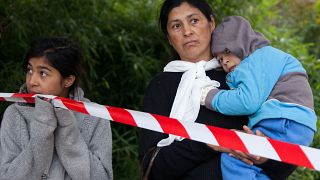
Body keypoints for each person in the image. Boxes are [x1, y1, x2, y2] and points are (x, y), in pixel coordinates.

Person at [138, 1, 249, 179]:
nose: (187, 31)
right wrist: (211, 141)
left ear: (211, 24)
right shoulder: (161, 86)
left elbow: (274, 150)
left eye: (194, 21)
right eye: (176, 26)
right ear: (169, 38)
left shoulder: (241, 75)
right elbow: (152, 167)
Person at [201, 16, 316, 179]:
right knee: (252, 166)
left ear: (242, 41)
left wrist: (209, 96)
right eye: (219, 59)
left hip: (284, 120)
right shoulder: (264, 59)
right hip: (293, 122)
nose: (225, 61)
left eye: (227, 51)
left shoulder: (259, 58)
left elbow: (247, 102)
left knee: (235, 159)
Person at [0, 37, 113, 179]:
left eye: (43, 73)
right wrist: (42, 128)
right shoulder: (14, 115)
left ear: (68, 80)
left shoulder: (95, 117)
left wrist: (67, 128)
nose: (32, 81)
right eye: (29, 70)